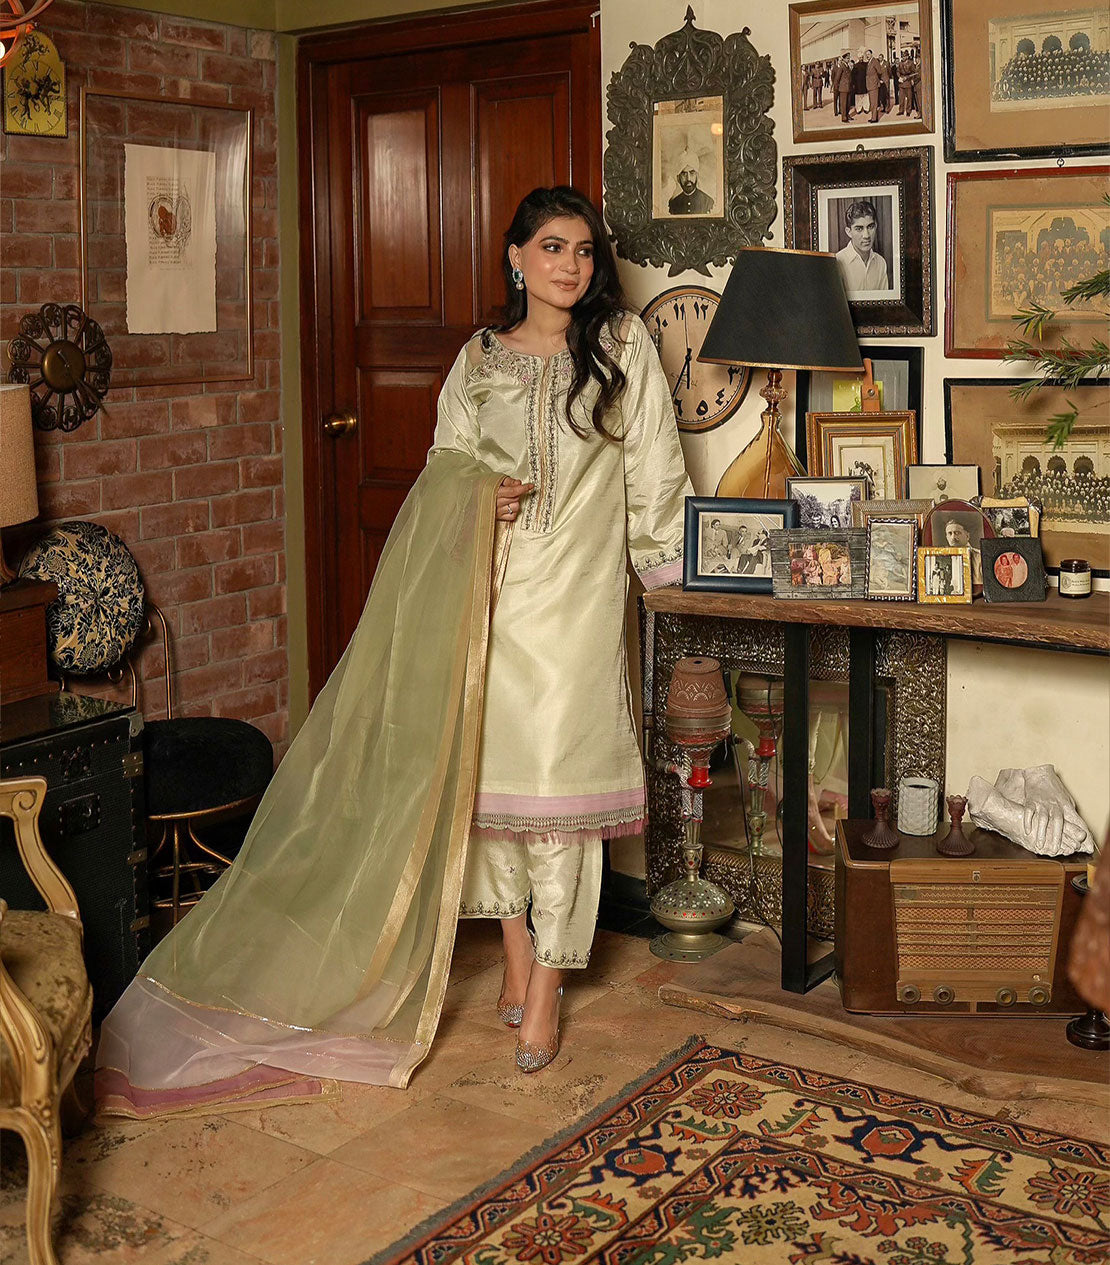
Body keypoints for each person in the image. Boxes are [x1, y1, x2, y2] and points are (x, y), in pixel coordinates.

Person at [97, 187, 691, 1114]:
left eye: (583, 250)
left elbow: (655, 468)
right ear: (515, 257)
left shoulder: (620, 350)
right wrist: (478, 493)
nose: (570, 265)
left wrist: (670, 579)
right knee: (486, 787)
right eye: (551, 247)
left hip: (576, 602)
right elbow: (443, 464)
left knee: (560, 796)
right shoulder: (478, 360)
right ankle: (515, 951)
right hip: (485, 595)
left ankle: (547, 987)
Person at [836, 198, 890, 293]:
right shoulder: (837, 262)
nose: (866, 235)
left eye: (870, 227)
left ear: (876, 226)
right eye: (859, 229)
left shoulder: (881, 262)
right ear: (849, 232)